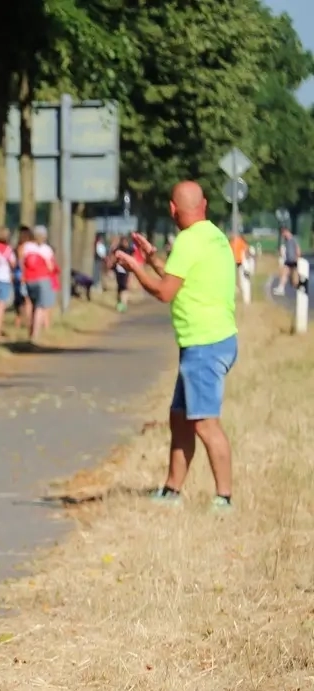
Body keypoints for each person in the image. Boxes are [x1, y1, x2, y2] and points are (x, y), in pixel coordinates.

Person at [113, 181, 237, 512]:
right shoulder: (213, 236)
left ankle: (224, 498)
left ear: (172, 209)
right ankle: (172, 490)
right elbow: (178, 278)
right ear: (204, 204)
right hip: (215, 339)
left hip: (203, 344)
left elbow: (164, 292)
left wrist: (135, 268)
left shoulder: (187, 241)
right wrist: (153, 258)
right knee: (180, 417)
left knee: (205, 423)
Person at [19, 224, 57, 340]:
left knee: (30, 304)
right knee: (40, 307)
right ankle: (35, 333)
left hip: (28, 279)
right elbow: (51, 267)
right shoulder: (47, 249)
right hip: (42, 279)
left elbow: (21, 262)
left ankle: (29, 328)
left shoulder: (26, 247)